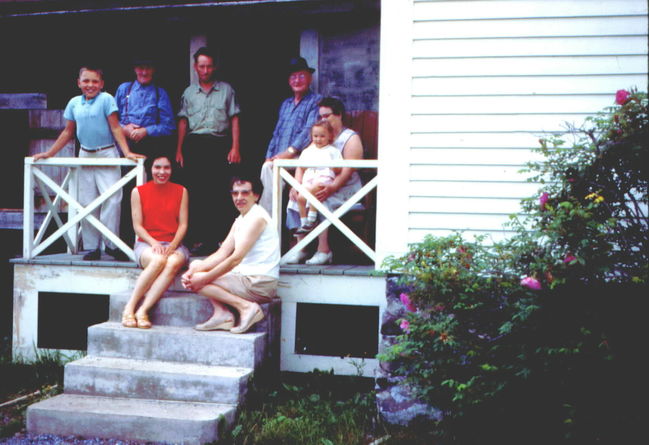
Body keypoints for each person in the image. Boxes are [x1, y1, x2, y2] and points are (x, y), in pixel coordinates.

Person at [33, 66, 144, 261]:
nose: (90, 85)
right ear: (78, 83)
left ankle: (111, 244)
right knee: (87, 202)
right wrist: (49, 153)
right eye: (86, 81)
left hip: (107, 153)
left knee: (113, 200)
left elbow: (116, 127)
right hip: (85, 154)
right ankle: (92, 247)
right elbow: (68, 132)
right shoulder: (74, 103)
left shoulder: (107, 99)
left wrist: (126, 152)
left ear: (101, 84)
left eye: (94, 81)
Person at [181, 173, 280, 334]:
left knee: (197, 280)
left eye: (245, 192)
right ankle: (222, 315)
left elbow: (235, 259)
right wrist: (193, 271)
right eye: (235, 193)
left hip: (259, 282)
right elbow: (222, 253)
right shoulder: (241, 218)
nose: (239, 197)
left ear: (256, 195)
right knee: (196, 266)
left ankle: (247, 308)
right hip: (245, 277)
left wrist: (204, 278)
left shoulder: (257, 218)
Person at [282, 97, 364, 265]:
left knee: (321, 199)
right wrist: (297, 186)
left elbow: (347, 170)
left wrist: (332, 187)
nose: (323, 120)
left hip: (344, 189)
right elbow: (301, 166)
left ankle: (323, 250)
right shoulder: (317, 137)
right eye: (320, 117)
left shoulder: (350, 138)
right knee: (295, 200)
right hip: (314, 184)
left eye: (326, 116)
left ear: (339, 115)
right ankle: (302, 248)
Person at [176, 47, 241, 255]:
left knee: (218, 192)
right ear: (195, 67)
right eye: (201, 66)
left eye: (209, 66)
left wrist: (235, 147)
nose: (205, 70)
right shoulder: (189, 92)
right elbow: (183, 122)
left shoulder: (226, 90)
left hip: (219, 144)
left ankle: (219, 240)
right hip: (195, 145)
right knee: (197, 193)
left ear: (215, 67)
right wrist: (179, 149)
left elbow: (235, 119)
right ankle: (199, 240)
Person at [121, 155, 189, 329]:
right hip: (147, 243)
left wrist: (173, 245)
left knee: (173, 262)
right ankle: (129, 307)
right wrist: (154, 243)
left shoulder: (181, 191)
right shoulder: (138, 191)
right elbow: (137, 226)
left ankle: (142, 310)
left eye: (166, 168)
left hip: (174, 243)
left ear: (172, 170)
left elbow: (183, 224)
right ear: (150, 169)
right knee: (159, 260)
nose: (162, 172)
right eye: (157, 167)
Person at [258, 56, 322, 213]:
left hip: (300, 157)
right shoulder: (285, 104)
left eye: (301, 75)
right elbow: (276, 133)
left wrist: (289, 152)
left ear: (309, 78)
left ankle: (267, 221)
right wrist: (269, 154)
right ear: (288, 81)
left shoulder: (316, 101)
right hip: (280, 159)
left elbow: (309, 130)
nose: (297, 80)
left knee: (268, 170)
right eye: (293, 76)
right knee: (267, 166)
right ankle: (270, 221)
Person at [115, 55, 176, 172]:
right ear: (135, 69)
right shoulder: (123, 89)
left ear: (153, 70)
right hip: (124, 147)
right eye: (140, 68)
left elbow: (169, 127)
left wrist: (146, 131)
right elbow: (111, 120)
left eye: (148, 68)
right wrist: (124, 128)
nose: (144, 72)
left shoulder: (160, 93)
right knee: (121, 183)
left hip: (150, 147)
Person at [291, 120, 342, 235]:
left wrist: (334, 167)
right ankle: (304, 223)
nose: (318, 139)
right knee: (301, 198)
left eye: (322, 136)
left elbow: (339, 169)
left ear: (330, 136)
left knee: (315, 189)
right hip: (310, 178)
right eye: (315, 136)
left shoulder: (333, 151)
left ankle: (311, 219)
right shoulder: (308, 151)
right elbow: (302, 167)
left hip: (324, 178)